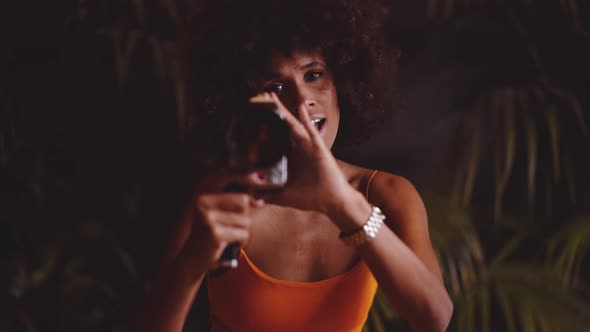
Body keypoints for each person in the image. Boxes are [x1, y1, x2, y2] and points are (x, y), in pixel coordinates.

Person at [128, 0, 453, 331]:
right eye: (277, 87)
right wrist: (190, 264)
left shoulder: (387, 195)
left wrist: (345, 205)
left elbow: (435, 318)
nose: (301, 100)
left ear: (344, 80)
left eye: (314, 74)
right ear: (250, 106)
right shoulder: (225, 196)